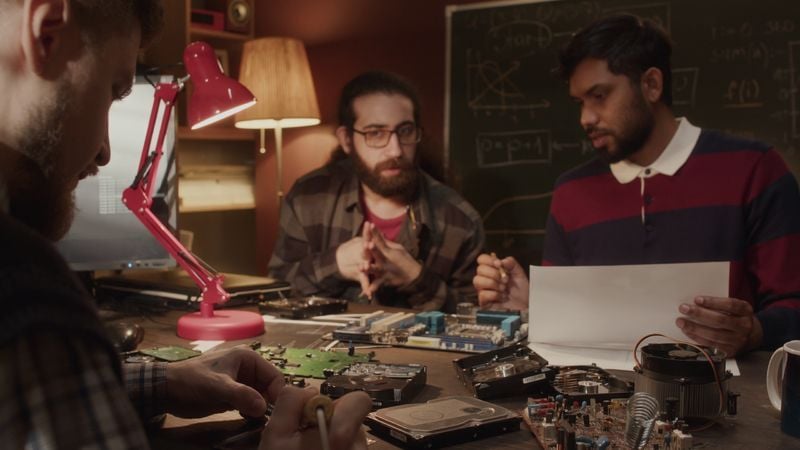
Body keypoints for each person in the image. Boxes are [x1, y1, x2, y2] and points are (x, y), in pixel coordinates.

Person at [0, 1, 370, 449]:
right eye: (113, 90)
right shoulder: (24, 287)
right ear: (47, 33)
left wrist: (160, 382)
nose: (104, 152)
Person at [473, 13, 800, 357]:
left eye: (599, 96)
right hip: (599, 399)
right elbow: (573, 326)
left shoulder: (754, 168)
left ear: (652, 85)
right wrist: (530, 305)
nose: (586, 118)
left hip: (724, 399)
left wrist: (752, 331)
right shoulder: (572, 192)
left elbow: (793, 304)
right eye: (580, 103)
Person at [269, 71, 485, 312]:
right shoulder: (308, 199)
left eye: (405, 131)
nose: (395, 151)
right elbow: (276, 292)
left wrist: (416, 278)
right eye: (375, 133)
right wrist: (336, 262)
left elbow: (475, 319)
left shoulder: (460, 221)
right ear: (347, 139)